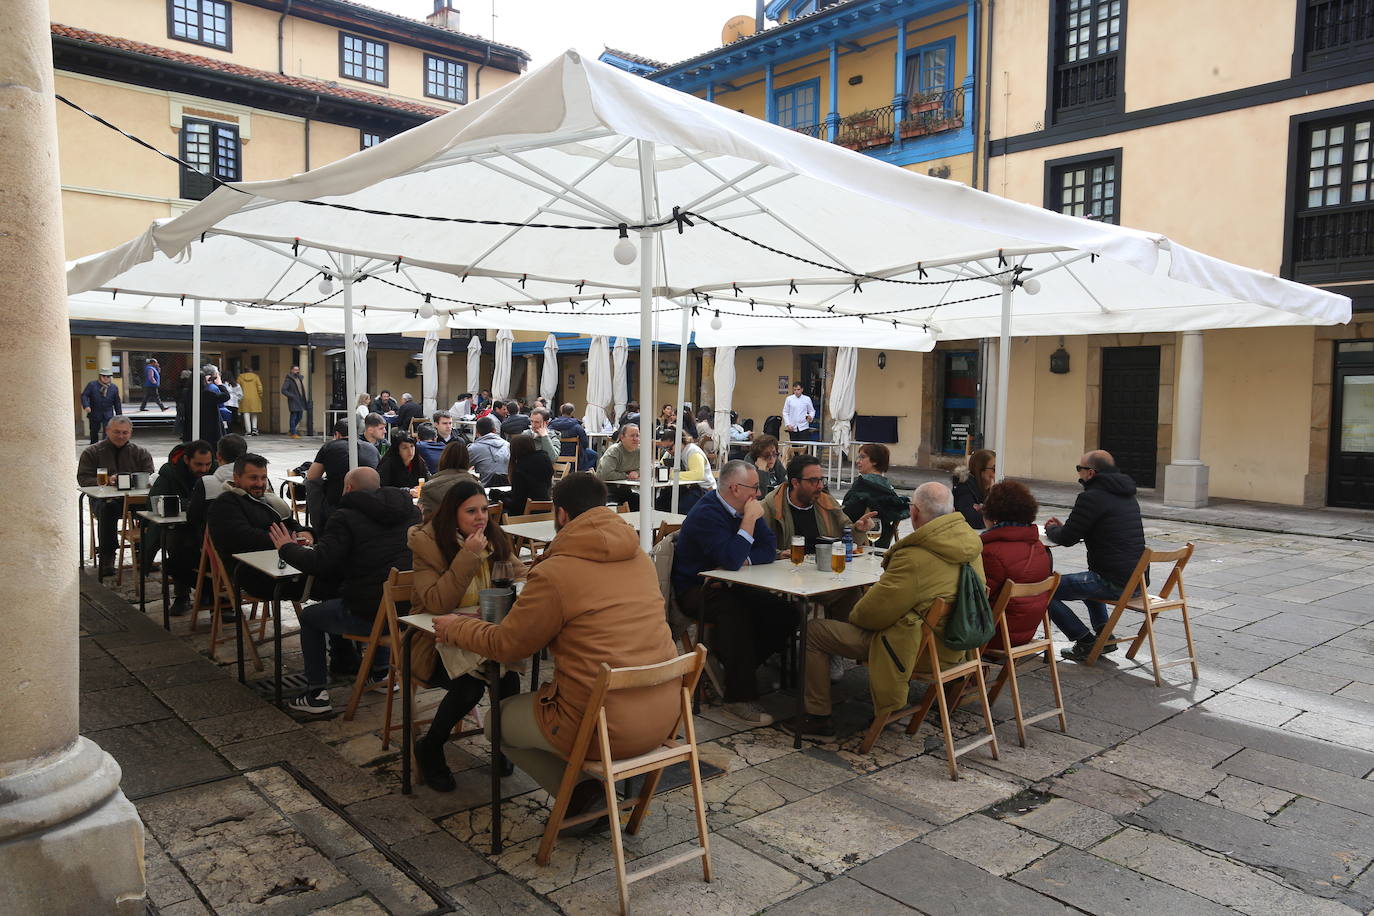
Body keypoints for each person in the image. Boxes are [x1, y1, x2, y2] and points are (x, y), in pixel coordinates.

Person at [427, 473, 679, 807]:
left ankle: (577, 795)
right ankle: (583, 786)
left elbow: (509, 645)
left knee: (497, 721)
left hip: (603, 726)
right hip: (665, 716)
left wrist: (455, 627)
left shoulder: (557, 571)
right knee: (531, 695)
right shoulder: (640, 559)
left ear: (561, 514)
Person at [793, 482, 985, 737]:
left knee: (814, 631)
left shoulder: (914, 557)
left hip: (913, 649)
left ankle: (816, 717)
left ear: (914, 513)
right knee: (857, 599)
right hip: (955, 642)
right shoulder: (970, 546)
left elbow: (869, 617)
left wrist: (861, 606)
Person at [407, 478, 521, 789]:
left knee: (509, 676)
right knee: (470, 686)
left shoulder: (492, 537)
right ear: (451, 514)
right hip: (434, 639)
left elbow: (518, 574)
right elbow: (435, 603)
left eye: (484, 509)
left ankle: (503, 742)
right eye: (471, 511)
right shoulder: (427, 543)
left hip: (483, 635)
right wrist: (468, 556)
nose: (481, 517)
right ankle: (430, 748)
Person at [276, 466, 420, 714]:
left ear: (349, 488)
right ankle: (379, 673)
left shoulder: (345, 516)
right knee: (381, 591)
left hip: (371, 615)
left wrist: (286, 548)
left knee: (310, 617)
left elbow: (320, 562)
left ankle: (316, 693)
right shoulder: (411, 512)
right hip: (409, 613)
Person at [672, 460, 792, 726]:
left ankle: (733, 665)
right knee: (734, 611)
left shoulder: (744, 506)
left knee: (785, 611)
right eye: (754, 488)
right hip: (696, 587)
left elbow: (767, 549)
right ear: (735, 488)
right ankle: (738, 698)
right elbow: (730, 557)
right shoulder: (707, 513)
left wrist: (740, 559)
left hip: (731, 583)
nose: (759, 495)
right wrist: (748, 522)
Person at [1045, 450, 1145, 661]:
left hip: (1112, 582)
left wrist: (1052, 529)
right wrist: (1067, 529)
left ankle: (1085, 641)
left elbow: (1067, 539)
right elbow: (1090, 529)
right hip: (1136, 582)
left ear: (1090, 473)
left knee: (1042, 591)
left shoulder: (1091, 497)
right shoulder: (1127, 496)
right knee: (1090, 578)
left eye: (1079, 469)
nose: (1078, 474)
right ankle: (1104, 637)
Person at [206, 453, 312, 605]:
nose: (260, 483)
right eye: (253, 478)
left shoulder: (268, 501)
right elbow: (245, 537)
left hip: (283, 566)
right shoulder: (225, 504)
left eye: (263, 478)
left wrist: (305, 532)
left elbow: (289, 522)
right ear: (237, 478)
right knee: (327, 582)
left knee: (330, 574)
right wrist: (289, 540)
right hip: (254, 575)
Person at [980, 480, 1054, 649]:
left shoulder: (991, 553)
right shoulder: (1039, 547)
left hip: (995, 636)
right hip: (1024, 633)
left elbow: (978, 600)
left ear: (993, 516)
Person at [76, 416, 154, 577]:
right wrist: (107, 481)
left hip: (134, 500)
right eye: (117, 432)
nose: (121, 436)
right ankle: (107, 556)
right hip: (105, 501)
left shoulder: (140, 453)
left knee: (154, 507)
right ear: (107, 431)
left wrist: (138, 481)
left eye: (125, 432)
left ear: (130, 432)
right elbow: (83, 479)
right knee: (107, 509)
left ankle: (145, 552)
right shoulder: (92, 452)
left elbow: (150, 476)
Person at [146, 440, 214, 615]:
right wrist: (191, 504)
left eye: (207, 464)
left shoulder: (213, 472)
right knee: (177, 543)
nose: (204, 469)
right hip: (175, 527)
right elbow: (154, 501)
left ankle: (208, 590)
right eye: (198, 464)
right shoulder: (169, 473)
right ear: (186, 460)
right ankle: (182, 596)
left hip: (203, 525)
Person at [763, 454, 875, 551]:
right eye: (813, 481)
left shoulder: (826, 503)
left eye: (821, 480)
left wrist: (858, 529)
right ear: (795, 483)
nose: (820, 486)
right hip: (784, 572)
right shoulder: (770, 508)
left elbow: (847, 537)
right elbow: (757, 547)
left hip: (823, 568)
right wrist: (779, 554)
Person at [306, 420, 381, 526]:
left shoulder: (330, 446)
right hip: (371, 503)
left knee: (312, 484)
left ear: (337, 434)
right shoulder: (372, 448)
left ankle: (318, 527)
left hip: (336, 504)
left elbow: (312, 476)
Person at [842, 443, 910, 548]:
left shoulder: (862, 485)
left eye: (862, 457)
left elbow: (845, 515)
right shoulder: (889, 489)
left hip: (859, 542)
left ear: (875, 461)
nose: (857, 461)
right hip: (883, 542)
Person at [188, 433, 249, 533]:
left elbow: (192, 518)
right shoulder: (262, 481)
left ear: (218, 456)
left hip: (213, 544)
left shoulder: (206, 484)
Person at [418, 439, 478, 520]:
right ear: (467, 461)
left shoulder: (429, 488)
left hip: (440, 531)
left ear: (443, 458)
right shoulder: (477, 486)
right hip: (470, 531)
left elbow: (422, 519)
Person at [655, 433, 714, 515]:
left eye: (669, 448)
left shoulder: (693, 452)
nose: (668, 451)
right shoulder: (671, 453)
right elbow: (660, 466)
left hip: (703, 489)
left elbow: (698, 474)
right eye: (665, 449)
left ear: (679, 442)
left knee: (681, 507)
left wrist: (671, 475)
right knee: (660, 503)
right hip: (684, 488)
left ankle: (678, 525)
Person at [503, 434, 554, 515]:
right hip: (546, 509)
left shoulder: (519, 470)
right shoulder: (544, 461)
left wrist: (501, 499)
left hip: (526, 515)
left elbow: (517, 504)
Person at [953, 449, 996, 530]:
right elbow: (974, 520)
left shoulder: (991, 489)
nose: (997, 472)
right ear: (980, 470)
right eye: (994, 469)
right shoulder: (964, 488)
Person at [549, 402, 596, 471]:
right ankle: (580, 472)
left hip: (556, 454)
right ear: (572, 412)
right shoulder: (577, 426)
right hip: (574, 455)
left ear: (561, 411)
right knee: (594, 455)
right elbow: (585, 443)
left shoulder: (552, 425)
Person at [80, 368, 123, 444]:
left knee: (108, 431)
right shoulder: (92, 385)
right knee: (94, 431)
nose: (106, 378)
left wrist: (119, 416)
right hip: (94, 412)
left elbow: (117, 402)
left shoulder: (114, 388)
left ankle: (105, 448)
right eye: (104, 376)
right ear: (100, 376)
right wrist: (86, 405)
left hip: (108, 413)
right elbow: (84, 396)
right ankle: (93, 447)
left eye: (108, 376)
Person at [468, 416, 511, 485]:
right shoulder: (508, 445)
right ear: (494, 430)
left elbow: (460, 469)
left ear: (477, 432)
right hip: (509, 488)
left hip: (485, 490)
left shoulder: (473, 448)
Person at [281, 365, 307, 438]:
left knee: (299, 416)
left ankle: (291, 431)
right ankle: (293, 433)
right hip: (293, 401)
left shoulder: (299, 378)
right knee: (294, 416)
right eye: (295, 370)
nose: (297, 371)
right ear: (291, 370)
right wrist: (292, 396)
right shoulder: (288, 379)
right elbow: (283, 390)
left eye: (298, 370)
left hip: (300, 400)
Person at [236, 366, 263, 435]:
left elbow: (237, 387)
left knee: (246, 413)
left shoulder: (240, 377)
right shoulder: (256, 377)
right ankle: (254, 429)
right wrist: (260, 395)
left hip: (244, 397)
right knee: (254, 414)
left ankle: (248, 430)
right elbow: (259, 387)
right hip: (255, 397)